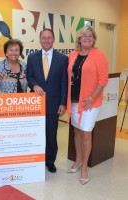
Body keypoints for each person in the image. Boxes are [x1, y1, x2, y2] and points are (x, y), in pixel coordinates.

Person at [66, 26, 108, 185]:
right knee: (77, 131)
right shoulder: (72, 55)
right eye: (84, 35)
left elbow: (103, 79)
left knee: (86, 133)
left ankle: (84, 168)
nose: (87, 38)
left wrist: (92, 98)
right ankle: (77, 161)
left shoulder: (99, 55)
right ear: (79, 39)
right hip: (74, 101)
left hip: (90, 102)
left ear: (94, 39)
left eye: (90, 36)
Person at [27, 28, 68, 173]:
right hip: (35, 104)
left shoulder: (63, 59)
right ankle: (37, 159)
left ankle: (50, 161)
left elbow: (64, 81)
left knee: (51, 135)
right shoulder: (32, 58)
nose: (46, 40)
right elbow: (29, 77)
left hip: (54, 104)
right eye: (43, 38)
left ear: (53, 39)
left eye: (49, 38)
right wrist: (35, 85)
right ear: (40, 39)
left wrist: (63, 103)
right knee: (35, 134)